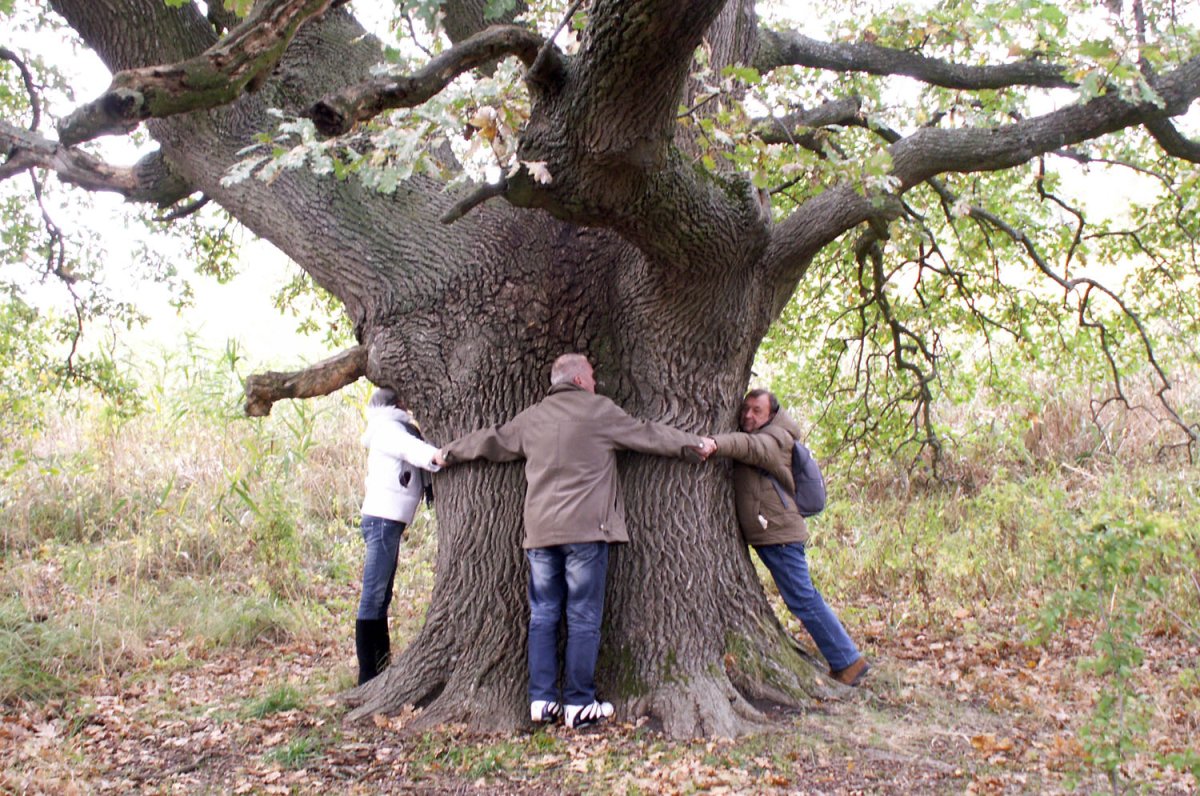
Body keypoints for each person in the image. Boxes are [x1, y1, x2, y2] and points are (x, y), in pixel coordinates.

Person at [434, 354, 714, 729]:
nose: (596, 382)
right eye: (593, 376)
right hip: (585, 531)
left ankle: (542, 700)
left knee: (544, 615)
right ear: (581, 380)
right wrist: (693, 444)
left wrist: (448, 452)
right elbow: (648, 434)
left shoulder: (533, 417)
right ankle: (579, 703)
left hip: (541, 535)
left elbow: (492, 439)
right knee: (582, 617)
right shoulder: (599, 411)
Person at [703, 389, 868, 686]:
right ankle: (846, 658)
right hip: (773, 530)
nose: (749, 416)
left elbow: (750, 447)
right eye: (746, 410)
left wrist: (714, 443)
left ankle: (848, 661)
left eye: (757, 411)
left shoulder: (776, 438)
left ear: (772, 415)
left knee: (803, 598)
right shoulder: (770, 432)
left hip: (779, 533)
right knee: (803, 597)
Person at [356, 388, 442, 685]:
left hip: (387, 520)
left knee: (381, 595)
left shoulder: (389, 427)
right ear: (396, 405)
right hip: (382, 519)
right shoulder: (388, 428)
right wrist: (440, 456)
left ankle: (380, 664)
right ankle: (369, 674)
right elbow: (412, 451)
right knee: (374, 595)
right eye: (404, 402)